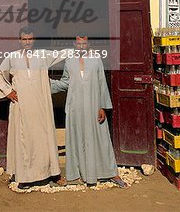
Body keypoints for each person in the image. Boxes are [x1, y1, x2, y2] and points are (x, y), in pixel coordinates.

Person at [0, 26, 71, 189]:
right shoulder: (12, 57)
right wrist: (8, 92)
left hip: (41, 107)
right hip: (21, 107)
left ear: (33, 39)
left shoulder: (42, 55)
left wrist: (79, 48)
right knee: (24, 141)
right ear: (20, 40)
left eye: (30, 39)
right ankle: (25, 177)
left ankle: (54, 174)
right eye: (24, 39)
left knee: (45, 139)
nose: (27, 42)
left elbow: (62, 54)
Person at [51, 36, 127, 187]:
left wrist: (102, 106)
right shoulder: (69, 60)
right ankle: (79, 174)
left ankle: (110, 172)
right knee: (78, 138)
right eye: (78, 43)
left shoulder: (96, 59)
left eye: (84, 43)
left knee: (100, 138)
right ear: (74, 44)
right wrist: (44, 84)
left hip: (93, 106)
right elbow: (66, 81)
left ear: (88, 44)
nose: (81, 46)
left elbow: (101, 82)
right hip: (75, 107)